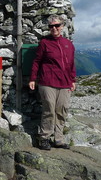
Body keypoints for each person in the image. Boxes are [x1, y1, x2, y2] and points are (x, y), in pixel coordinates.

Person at [29, 14, 76, 150]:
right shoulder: (44, 43)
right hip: (47, 81)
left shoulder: (68, 44)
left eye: (57, 25)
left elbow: (71, 64)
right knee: (49, 109)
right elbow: (37, 61)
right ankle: (44, 138)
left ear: (62, 26)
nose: (54, 28)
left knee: (62, 110)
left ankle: (58, 139)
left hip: (65, 82)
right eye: (51, 26)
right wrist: (33, 78)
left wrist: (73, 80)